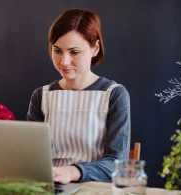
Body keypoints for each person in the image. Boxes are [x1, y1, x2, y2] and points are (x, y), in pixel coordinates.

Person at [26, 8, 130, 184]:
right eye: (57, 50)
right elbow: (31, 158)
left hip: (96, 189)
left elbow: (117, 164)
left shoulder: (114, 95)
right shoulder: (41, 96)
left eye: (74, 52)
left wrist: (73, 172)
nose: (64, 62)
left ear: (95, 48)